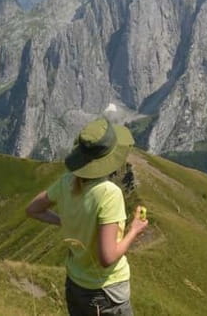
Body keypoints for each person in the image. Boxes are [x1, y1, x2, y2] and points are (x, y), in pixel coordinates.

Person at [26, 118, 148, 315]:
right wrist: (134, 230)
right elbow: (107, 258)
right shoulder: (109, 193)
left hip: (75, 285)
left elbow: (33, 209)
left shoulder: (66, 182)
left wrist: (64, 221)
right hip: (106, 292)